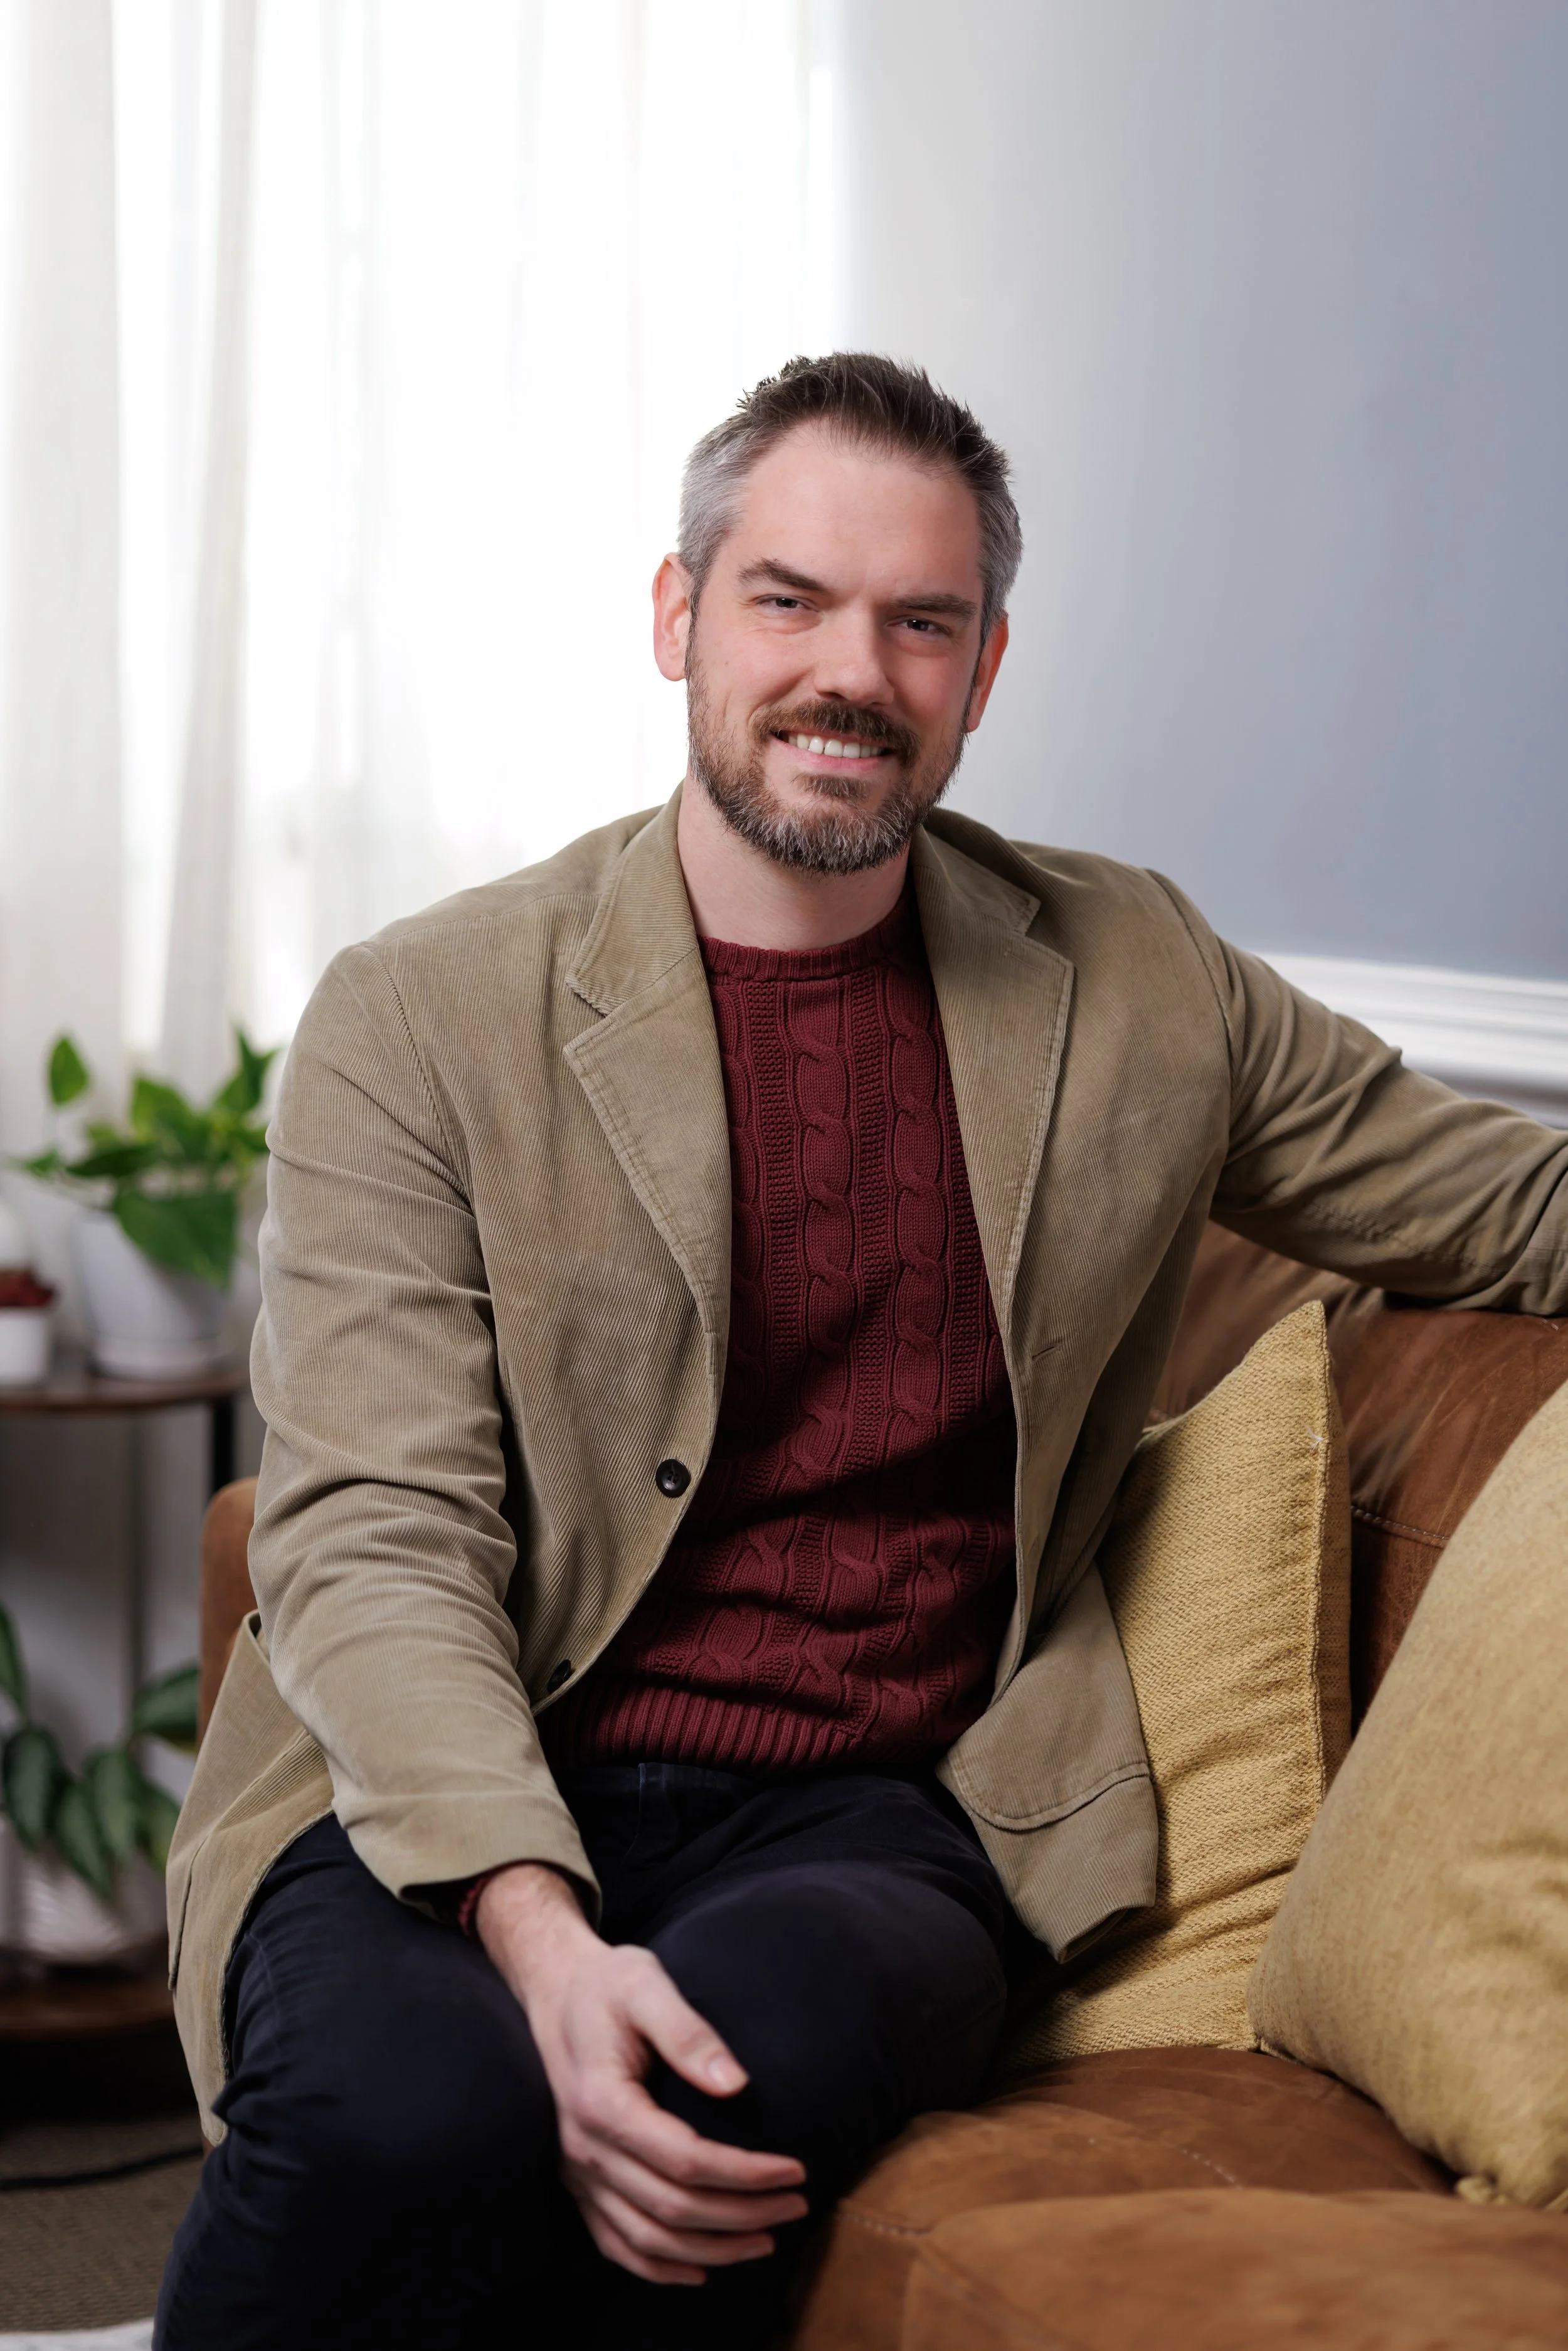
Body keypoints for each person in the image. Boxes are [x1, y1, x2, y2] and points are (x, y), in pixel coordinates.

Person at [156, 354, 1568, 2350]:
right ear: (676, 619)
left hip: (867, 1805)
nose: (854, 671)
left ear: (983, 670)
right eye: (787, 600)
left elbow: (1505, 1207)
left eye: (921, 622)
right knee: (407, 2108)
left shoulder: (1142, 978)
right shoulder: (423, 1014)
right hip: (452, 1757)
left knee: (727, 2092)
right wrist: (538, 1932)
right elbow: (372, 1537)